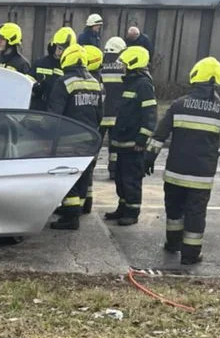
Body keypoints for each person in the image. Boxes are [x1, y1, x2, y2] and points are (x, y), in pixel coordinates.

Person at [144, 56, 220, 265]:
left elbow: (160, 134)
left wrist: (148, 157)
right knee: (195, 213)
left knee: (174, 210)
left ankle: (172, 244)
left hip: (175, 172)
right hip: (201, 176)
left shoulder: (178, 105)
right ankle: (190, 255)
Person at [45, 44, 102, 230]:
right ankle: (78, 208)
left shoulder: (64, 82)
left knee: (68, 176)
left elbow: (55, 114)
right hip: (91, 136)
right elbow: (100, 113)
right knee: (84, 175)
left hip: (69, 139)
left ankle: (70, 216)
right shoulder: (94, 82)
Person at [104, 45, 156, 226]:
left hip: (134, 143)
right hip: (122, 140)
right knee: (120, 177)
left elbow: (150, 115)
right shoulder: (130, 82)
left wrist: (142, 139)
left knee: (131, 178)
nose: (123, 67)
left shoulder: (143, 85)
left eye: (126, 64)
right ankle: (123, 207)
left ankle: (132, 212)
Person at [99, 36, 127, 180]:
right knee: (115, 146)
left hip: (100, 114)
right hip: (117, 114)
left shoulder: (99, 64)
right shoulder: (123, 67)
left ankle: (89, 169)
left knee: (95, 144)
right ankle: (113, 171)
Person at [32, 26, 77, 110]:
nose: (57, 52)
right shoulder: (40, 63)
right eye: (57, 47)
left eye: (61, 49)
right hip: (36, 112)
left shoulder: (70, 70)